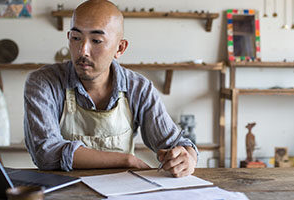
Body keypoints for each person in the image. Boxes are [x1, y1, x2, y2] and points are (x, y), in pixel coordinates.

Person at [24, 0, 198, 177]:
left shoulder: (138, 88)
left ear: (120, 48)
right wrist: (126, 160)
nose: (83, 50)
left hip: (121, 191)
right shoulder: (43, 82)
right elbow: (45, 153)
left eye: (96, 41)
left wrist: (187, 158)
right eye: (76, 38)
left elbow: (176, 143)